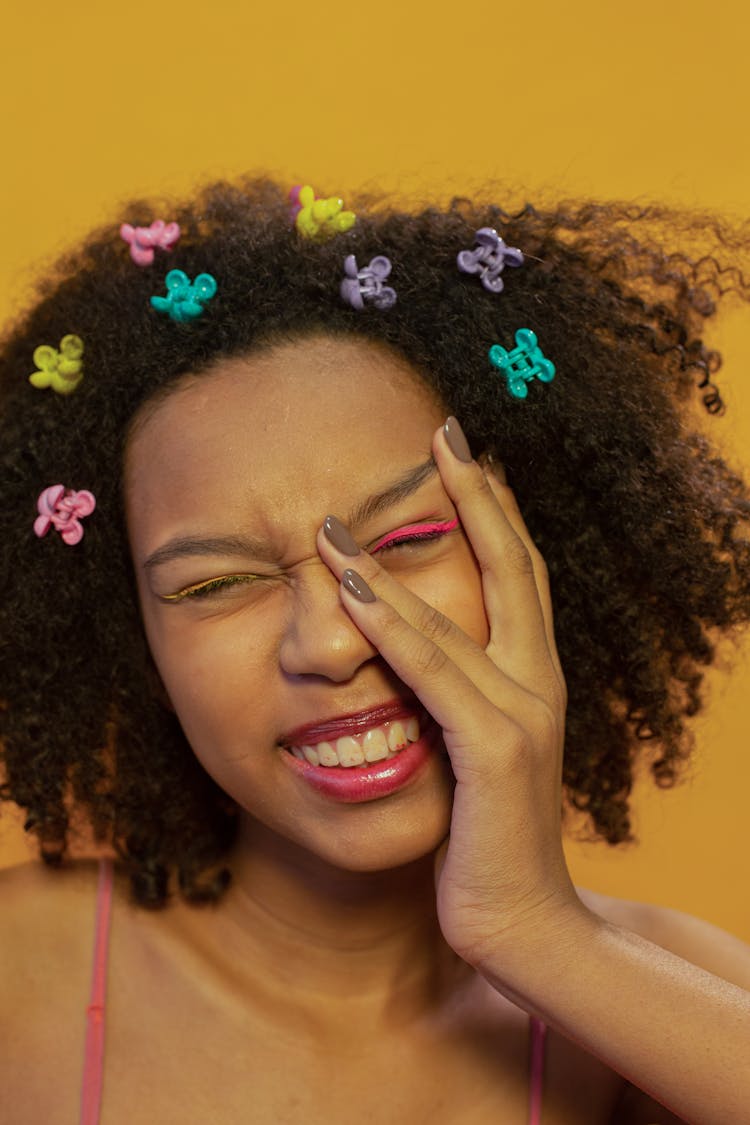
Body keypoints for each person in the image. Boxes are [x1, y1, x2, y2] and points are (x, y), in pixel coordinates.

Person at [1, 177, 749, 1125]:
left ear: (532, 553)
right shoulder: (16, 975)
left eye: (403, 543)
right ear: (127, 640)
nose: (329, 641)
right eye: (214, 585)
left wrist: (538, 935)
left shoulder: (666, 1009)